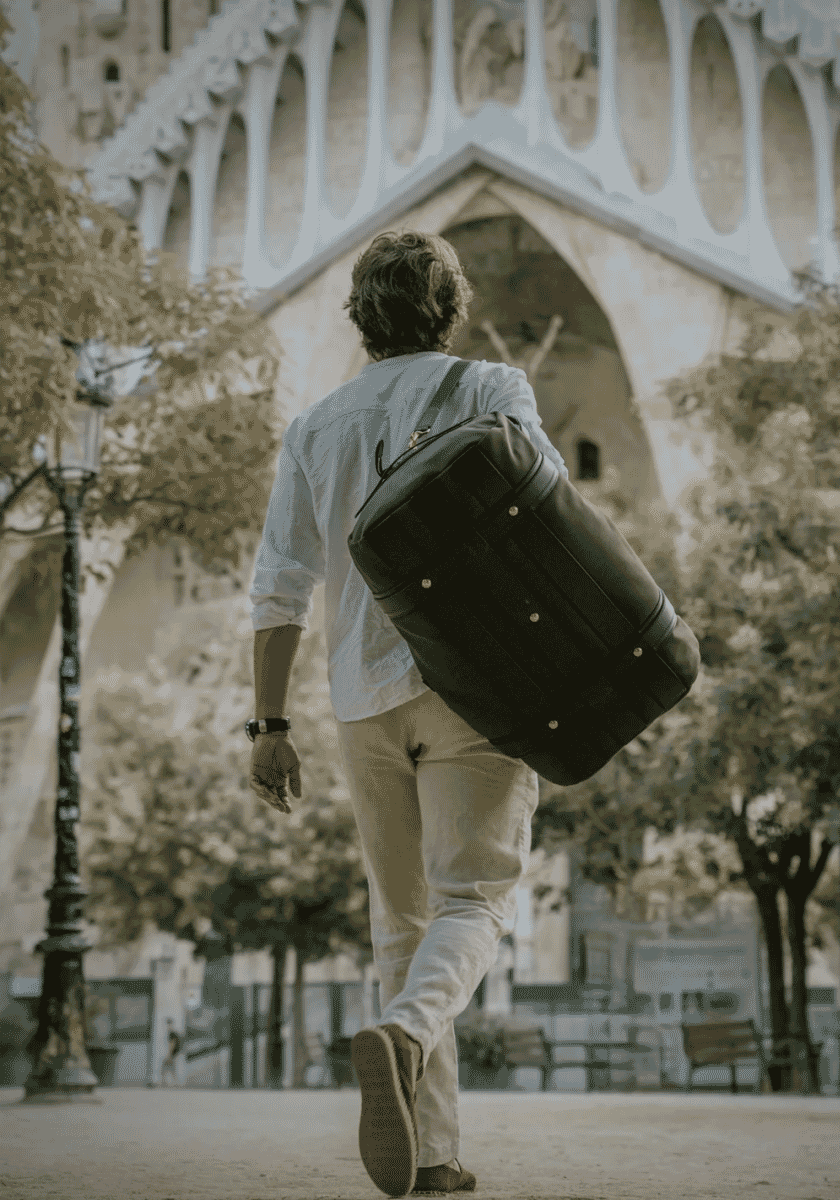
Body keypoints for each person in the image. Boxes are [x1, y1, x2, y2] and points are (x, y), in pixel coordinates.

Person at [247, 230, 568, 1197]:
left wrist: (267, 729)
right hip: (473, 685)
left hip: (360, 701)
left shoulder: (315, 427)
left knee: (402, 924)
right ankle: (406, 1030)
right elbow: (554, 515)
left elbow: (277, 589)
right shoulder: (492, 391)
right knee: (472, 901)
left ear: (361, 318)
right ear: (450, 308)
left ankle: (432, 1159)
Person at [160, 1018, 181, 1087]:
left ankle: (165, 1082)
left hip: (172, 1053)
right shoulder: (172, 1032)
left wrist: (169, 1054)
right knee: (170, 1067)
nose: (167, 1026)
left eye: (168, 1024)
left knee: (165, 1066)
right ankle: (173, 1082)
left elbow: (172, 1044)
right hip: (173, 1053)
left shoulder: (171, 1033)